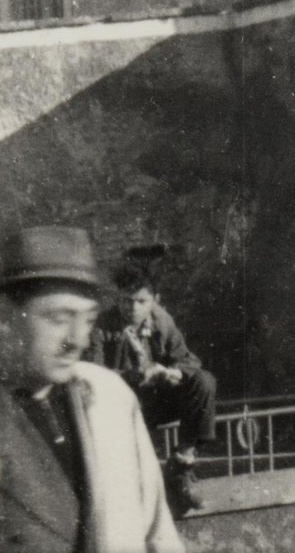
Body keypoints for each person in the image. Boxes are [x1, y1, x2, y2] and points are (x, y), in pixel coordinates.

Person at [0, 224, 182, 552]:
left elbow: (160, 536)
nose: (78, 341)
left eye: (87, 320)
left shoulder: (110, 397)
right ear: (7, 315)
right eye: (58, 318)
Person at [109, 268, 216, 486]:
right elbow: (93, 373)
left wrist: (168, 372)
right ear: (117, 298)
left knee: (204, 381)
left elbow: (189, 360)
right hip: (120, 406)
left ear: (154, 300)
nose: (133, 308)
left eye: (141, 301)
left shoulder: (162, 319)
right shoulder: (102, 325)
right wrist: (132, 375)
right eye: (127, 301)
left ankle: (183, 462)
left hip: (157, 402)